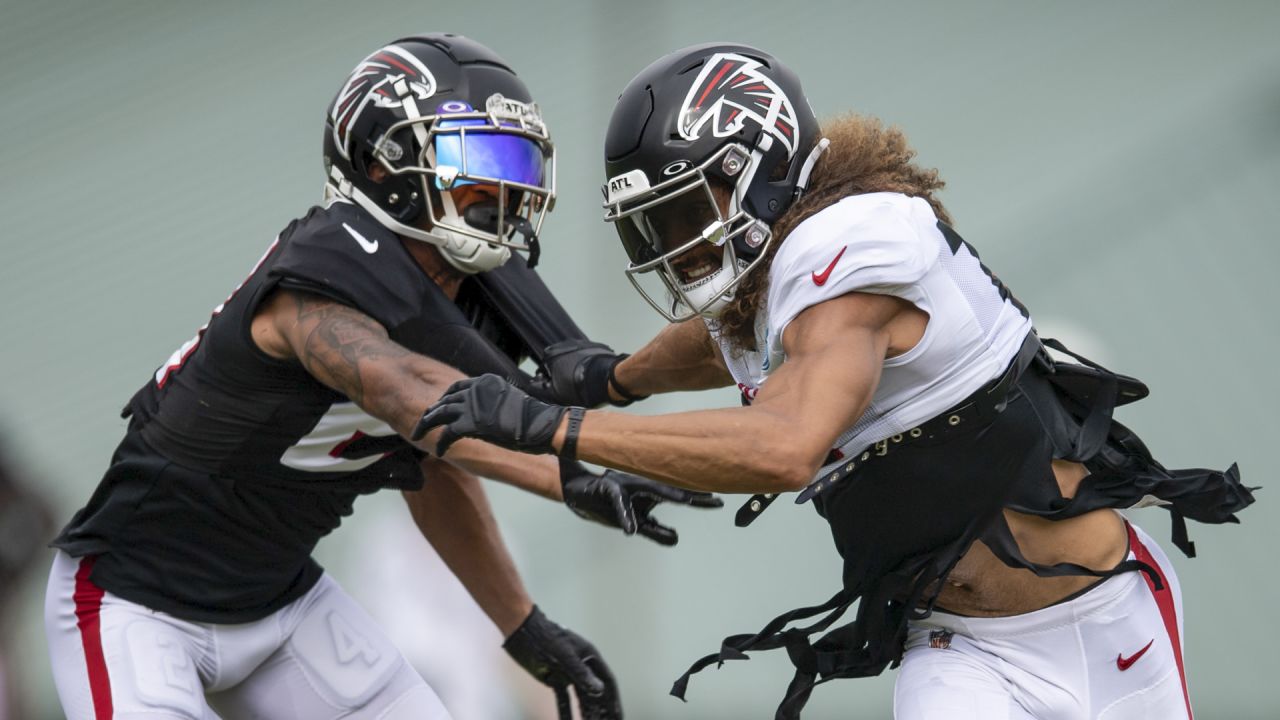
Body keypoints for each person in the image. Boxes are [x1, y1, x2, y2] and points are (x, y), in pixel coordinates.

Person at [416, 42, 1257, 719]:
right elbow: (722, 343)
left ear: (763, 165)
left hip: (1103, 621)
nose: (677, 243)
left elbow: (785, 447)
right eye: (657, 225)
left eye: (688, 212)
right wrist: (609, 381)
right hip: (959, 649)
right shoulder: (780, 286)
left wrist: (553, 428)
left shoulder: (852, 247)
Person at [44, 34, 720, 720]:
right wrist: (567, 462)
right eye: (478, 159)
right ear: (379, 163)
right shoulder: (320, 279)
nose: (504, 186)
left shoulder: (467, 288)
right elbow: (404, 392)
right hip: (134, 601)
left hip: (281, 601)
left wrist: (523, 625)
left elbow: (431, 458)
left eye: (516, 160)